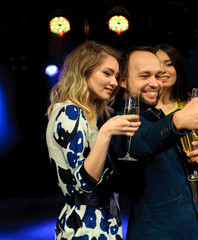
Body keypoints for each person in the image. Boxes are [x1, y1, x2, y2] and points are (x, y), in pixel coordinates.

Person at [109, 46, 198, 240]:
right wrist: (177, 120)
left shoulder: (157, 117)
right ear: (123, 81)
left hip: (191, 229)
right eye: (144, 76)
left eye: (157, 76)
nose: (154, 83)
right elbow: (141, 143)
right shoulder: (117, 121)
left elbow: (178, 169)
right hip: (156, 233)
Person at [46, 41, 141, 240]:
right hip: (85, 225)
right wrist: (106, 132)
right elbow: (86, 181)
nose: (114, 82)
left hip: (100, 219)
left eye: (116, 76)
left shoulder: (84, 113)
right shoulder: (69, 111)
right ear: (84, 71)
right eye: (107, 73)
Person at [154, 44, 190, 115]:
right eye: (157, 65)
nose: (162, 70)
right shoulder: (141, 106)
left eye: (169, 64)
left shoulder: (189, 104)